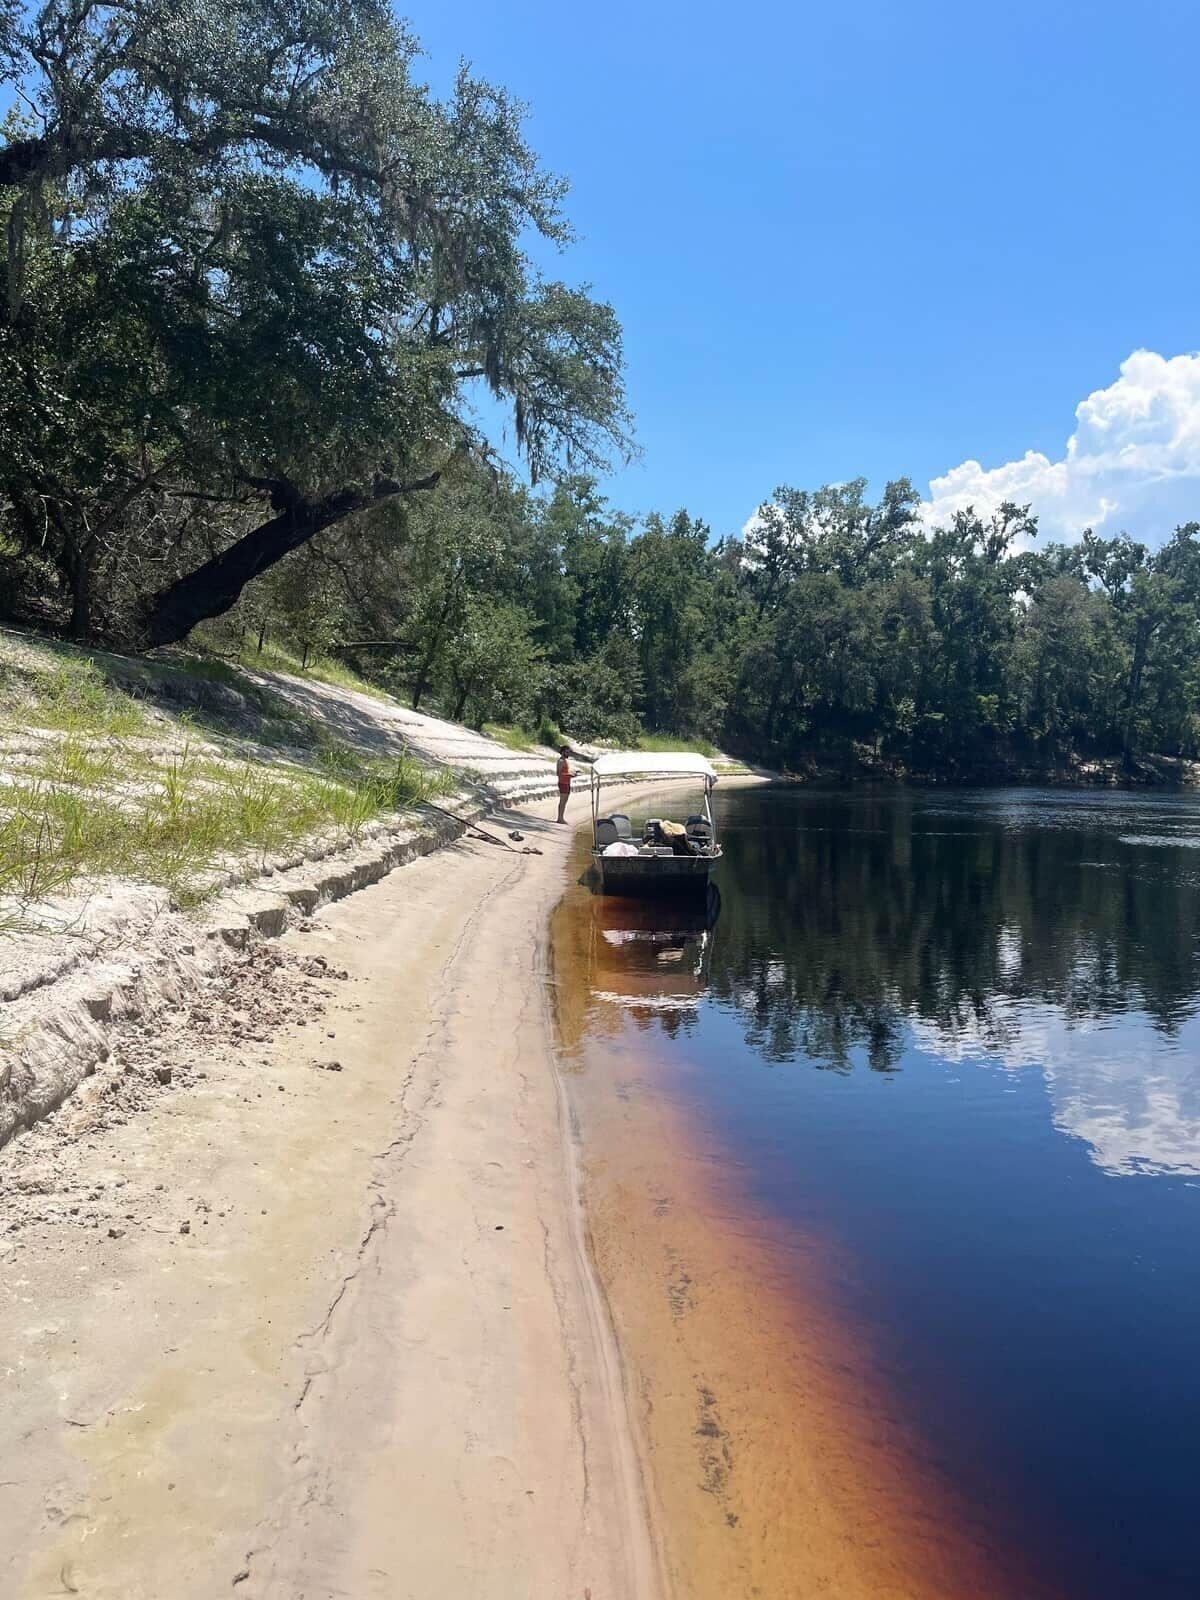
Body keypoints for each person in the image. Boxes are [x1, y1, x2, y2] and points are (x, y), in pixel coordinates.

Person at [555, 745, 573, 824]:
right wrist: (569, 775)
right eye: (567, 752)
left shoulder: (565, 761)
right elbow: (559, 773)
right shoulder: (561, 761)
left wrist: (572, 773)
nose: (568, 754)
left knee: (564, 801)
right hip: (563, 783)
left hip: (567, 783)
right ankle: (560, 819)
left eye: (569, 752)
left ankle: (561, 818)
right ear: (563, 752)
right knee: (562, 801)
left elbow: (564, 772)